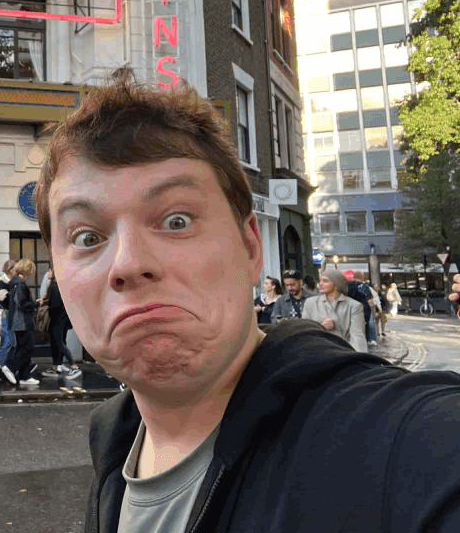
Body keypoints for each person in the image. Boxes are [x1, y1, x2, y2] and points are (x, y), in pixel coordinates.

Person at [32, 72, 460, 533]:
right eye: (88, 237)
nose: (129, 263)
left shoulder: (401, 440)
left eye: (176, 221)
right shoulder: (114, 450)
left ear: (250, 246)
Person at [302, 270, 367, 353]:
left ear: (336, 285)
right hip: (318, 352)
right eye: (320, 281)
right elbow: (304, 331)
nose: (320, 284)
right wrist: (321, 327)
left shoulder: (354, 306)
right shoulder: (310, 303)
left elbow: (357, 336)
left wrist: (359, 358)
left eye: (325, 281)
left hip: (344, 352)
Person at [1, 258, 37, 387]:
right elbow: (22, 304)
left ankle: (24, 376)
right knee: (27, 347)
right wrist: (35, 303)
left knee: (24, 347)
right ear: (27, 270)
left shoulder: (14, 282)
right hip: (22, 321)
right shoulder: (20, 284)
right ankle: (10, 367)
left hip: (16, 321)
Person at [38, 269, 80, 380]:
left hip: (56, 318)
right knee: (57, 342)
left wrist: (47, 302)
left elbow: (54, 305)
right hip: (63, 318)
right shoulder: (63, 285)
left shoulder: (54, 287)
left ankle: (74, 366)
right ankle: (55, 367)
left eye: (50, 271)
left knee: (58, 342)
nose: (48, 273)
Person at [0, 260, 16, 375]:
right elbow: (4, 300)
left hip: (9, 316)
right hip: (4, 316)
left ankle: (1, 365)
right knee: (8, 341)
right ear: (10, 269)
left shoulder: (10, 281)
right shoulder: (2, 282)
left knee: (6, 342)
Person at [346, 274, 377, 346]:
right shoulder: (365, 286)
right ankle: (365, 342)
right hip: (364, 310)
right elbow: (370, 301)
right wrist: (374, 311)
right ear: (362, 277)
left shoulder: (348, 285)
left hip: (350, 309)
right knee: (365, 326)